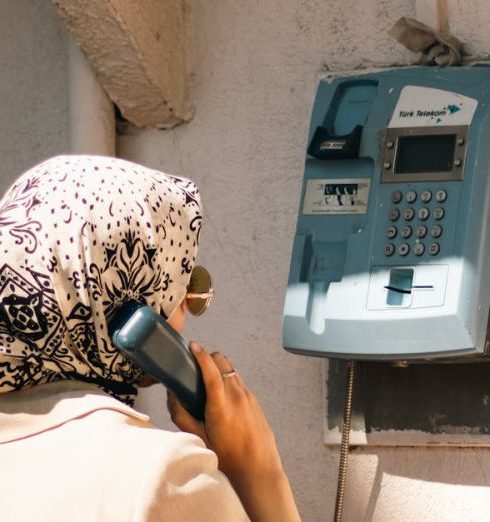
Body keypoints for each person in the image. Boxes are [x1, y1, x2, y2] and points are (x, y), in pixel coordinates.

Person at [0, 155, 300, 521]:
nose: (187, 311)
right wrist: (260, 473)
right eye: (181, 286)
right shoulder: (160, 477)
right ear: (128, 309)